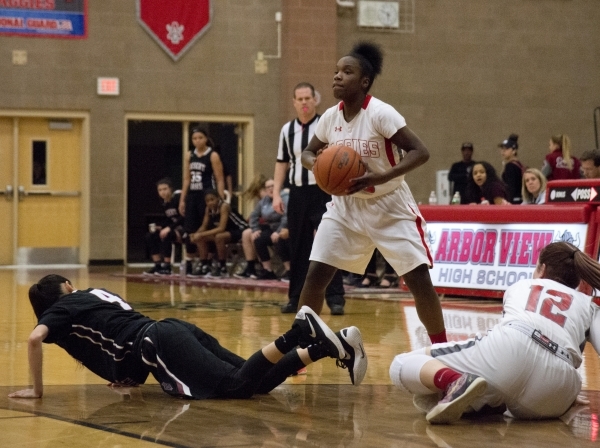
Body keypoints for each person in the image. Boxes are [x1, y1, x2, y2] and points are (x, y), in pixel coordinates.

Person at [8, 275, 368, 401]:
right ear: (68, 286)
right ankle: (326, 344)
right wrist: (128, 376)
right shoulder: (95, 295)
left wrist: (36, 390)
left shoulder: (62, 307)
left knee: (236, 387)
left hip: (156, 341)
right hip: (169, 329)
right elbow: (118, 335)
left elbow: (35, 338)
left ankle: (298, 333)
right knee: (256, 379)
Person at [298, 42, 447, 343]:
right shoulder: (330, 117)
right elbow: (307, 152)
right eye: (336, 71)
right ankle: (299, 348)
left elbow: (420, 152)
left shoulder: (381, 113)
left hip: (389, 205)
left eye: (347, 72)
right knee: (315, 276)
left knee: (419, 280)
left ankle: (443, 347)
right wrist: (316, 164)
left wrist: (382, 176)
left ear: (364, 81)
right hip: (345, 207)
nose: (337, 76)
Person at [389, 242, 600, 424]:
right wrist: (568, 392)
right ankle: (486, 402)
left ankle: (452, 381)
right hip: (558, 391)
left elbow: (510, 355)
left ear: (542, 269)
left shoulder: (522, 285)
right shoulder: (590, 306)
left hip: (512, 350)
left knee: (400, 364)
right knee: (502, 387)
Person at [272, 82, 346, 315]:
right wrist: (276, 192)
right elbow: (282, 162)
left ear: (316, 100)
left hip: (324, 192)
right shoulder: (287, 130)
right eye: (299, 99)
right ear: (294, 102)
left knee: (330, 243)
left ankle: (335, 298)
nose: (304, 102)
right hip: (297, 193)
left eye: (307, 98)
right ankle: (296, 298)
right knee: (298, 247)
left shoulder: (328, 125)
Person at [179, 127, 226, 276]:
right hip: (193, 195)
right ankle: (193, 262)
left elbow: (219, 179)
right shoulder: (189, 155)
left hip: (207, 195)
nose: (197, 141)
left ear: (205, 139)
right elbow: (187, 179)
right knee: (191, 230)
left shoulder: (212, 155)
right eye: (194, 138)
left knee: (205, 229)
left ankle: (208, 261)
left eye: (200, 137)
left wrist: (220, 198)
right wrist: (182, 199)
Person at [189, 190, 249, 278]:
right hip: (227, 232)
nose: (210, 202)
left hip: (241, 230)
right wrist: (195, 234)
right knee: (199, 238)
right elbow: (204, 226)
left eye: (212, 199)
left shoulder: (224, 206)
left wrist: (202, 234)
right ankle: (205, 265)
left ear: (218, 198)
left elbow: (221, 228)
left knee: (219, 237)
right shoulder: (208, 209)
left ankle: (222, 267)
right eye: (207, 201)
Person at [144, 178, 192, 276]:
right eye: (160, 190)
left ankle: (167, 266)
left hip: (185, 227)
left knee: (167, 234)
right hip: (174, 228)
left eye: (165, 189)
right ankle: (157, 265)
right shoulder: (165, 203)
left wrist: (169, 228)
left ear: (171, 189)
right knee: (150, 235)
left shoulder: (178, 198)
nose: (162, 192)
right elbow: (169, 219)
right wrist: (160, 227)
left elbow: (183, 217)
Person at [498, 134, 525, 204]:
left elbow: (511, 187)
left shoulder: (510, 166)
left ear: (514, 151)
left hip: (513, 201)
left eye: (506, 149)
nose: (502, 152)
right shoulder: (519, 164)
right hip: (520, 199)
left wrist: (509, 201)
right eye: (502, 149)